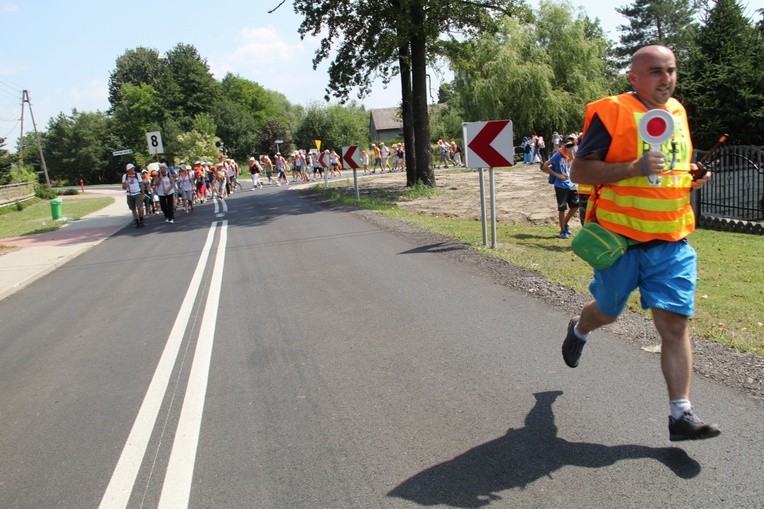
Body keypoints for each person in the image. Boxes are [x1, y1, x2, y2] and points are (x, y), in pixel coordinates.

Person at [562, 45, 719, 442]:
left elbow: (672, 167)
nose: (665, 78)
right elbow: (580, 168)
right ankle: (580, 328)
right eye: (655, 72)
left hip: (671, 239)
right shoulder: (612, 111)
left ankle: (680, 414)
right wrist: (634, 167)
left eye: (671, 70)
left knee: (674, 324)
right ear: (634, 78)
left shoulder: (678, 111)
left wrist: (691, 176)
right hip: (621, 240)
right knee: (608, 312)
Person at [542, 136, 579, 238]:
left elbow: (573, 165)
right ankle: (562, 230)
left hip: (570, 184)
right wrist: (557, 175)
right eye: (568, 145)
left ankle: (565, 223)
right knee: (562, 208)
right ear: (563, 145)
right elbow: (545, 166)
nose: (570, 146)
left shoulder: (570, 154)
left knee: (575, 205)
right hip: (560, 185)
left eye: (572, 144)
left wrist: (571, 153)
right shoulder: (558, 154)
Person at [121, 163, 146, 228]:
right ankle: (137, 221)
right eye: (132, 168)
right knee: (133, 209)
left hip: (137, 193)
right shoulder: (125, 176)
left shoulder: (137, 175)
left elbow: (141, 184)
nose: (133, 169)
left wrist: (143, 193)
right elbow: (123, 187)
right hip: (129, 194)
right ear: (128, 170)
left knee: (139, 207)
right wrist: (125, 185)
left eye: (133, 168)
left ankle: (141, 220)